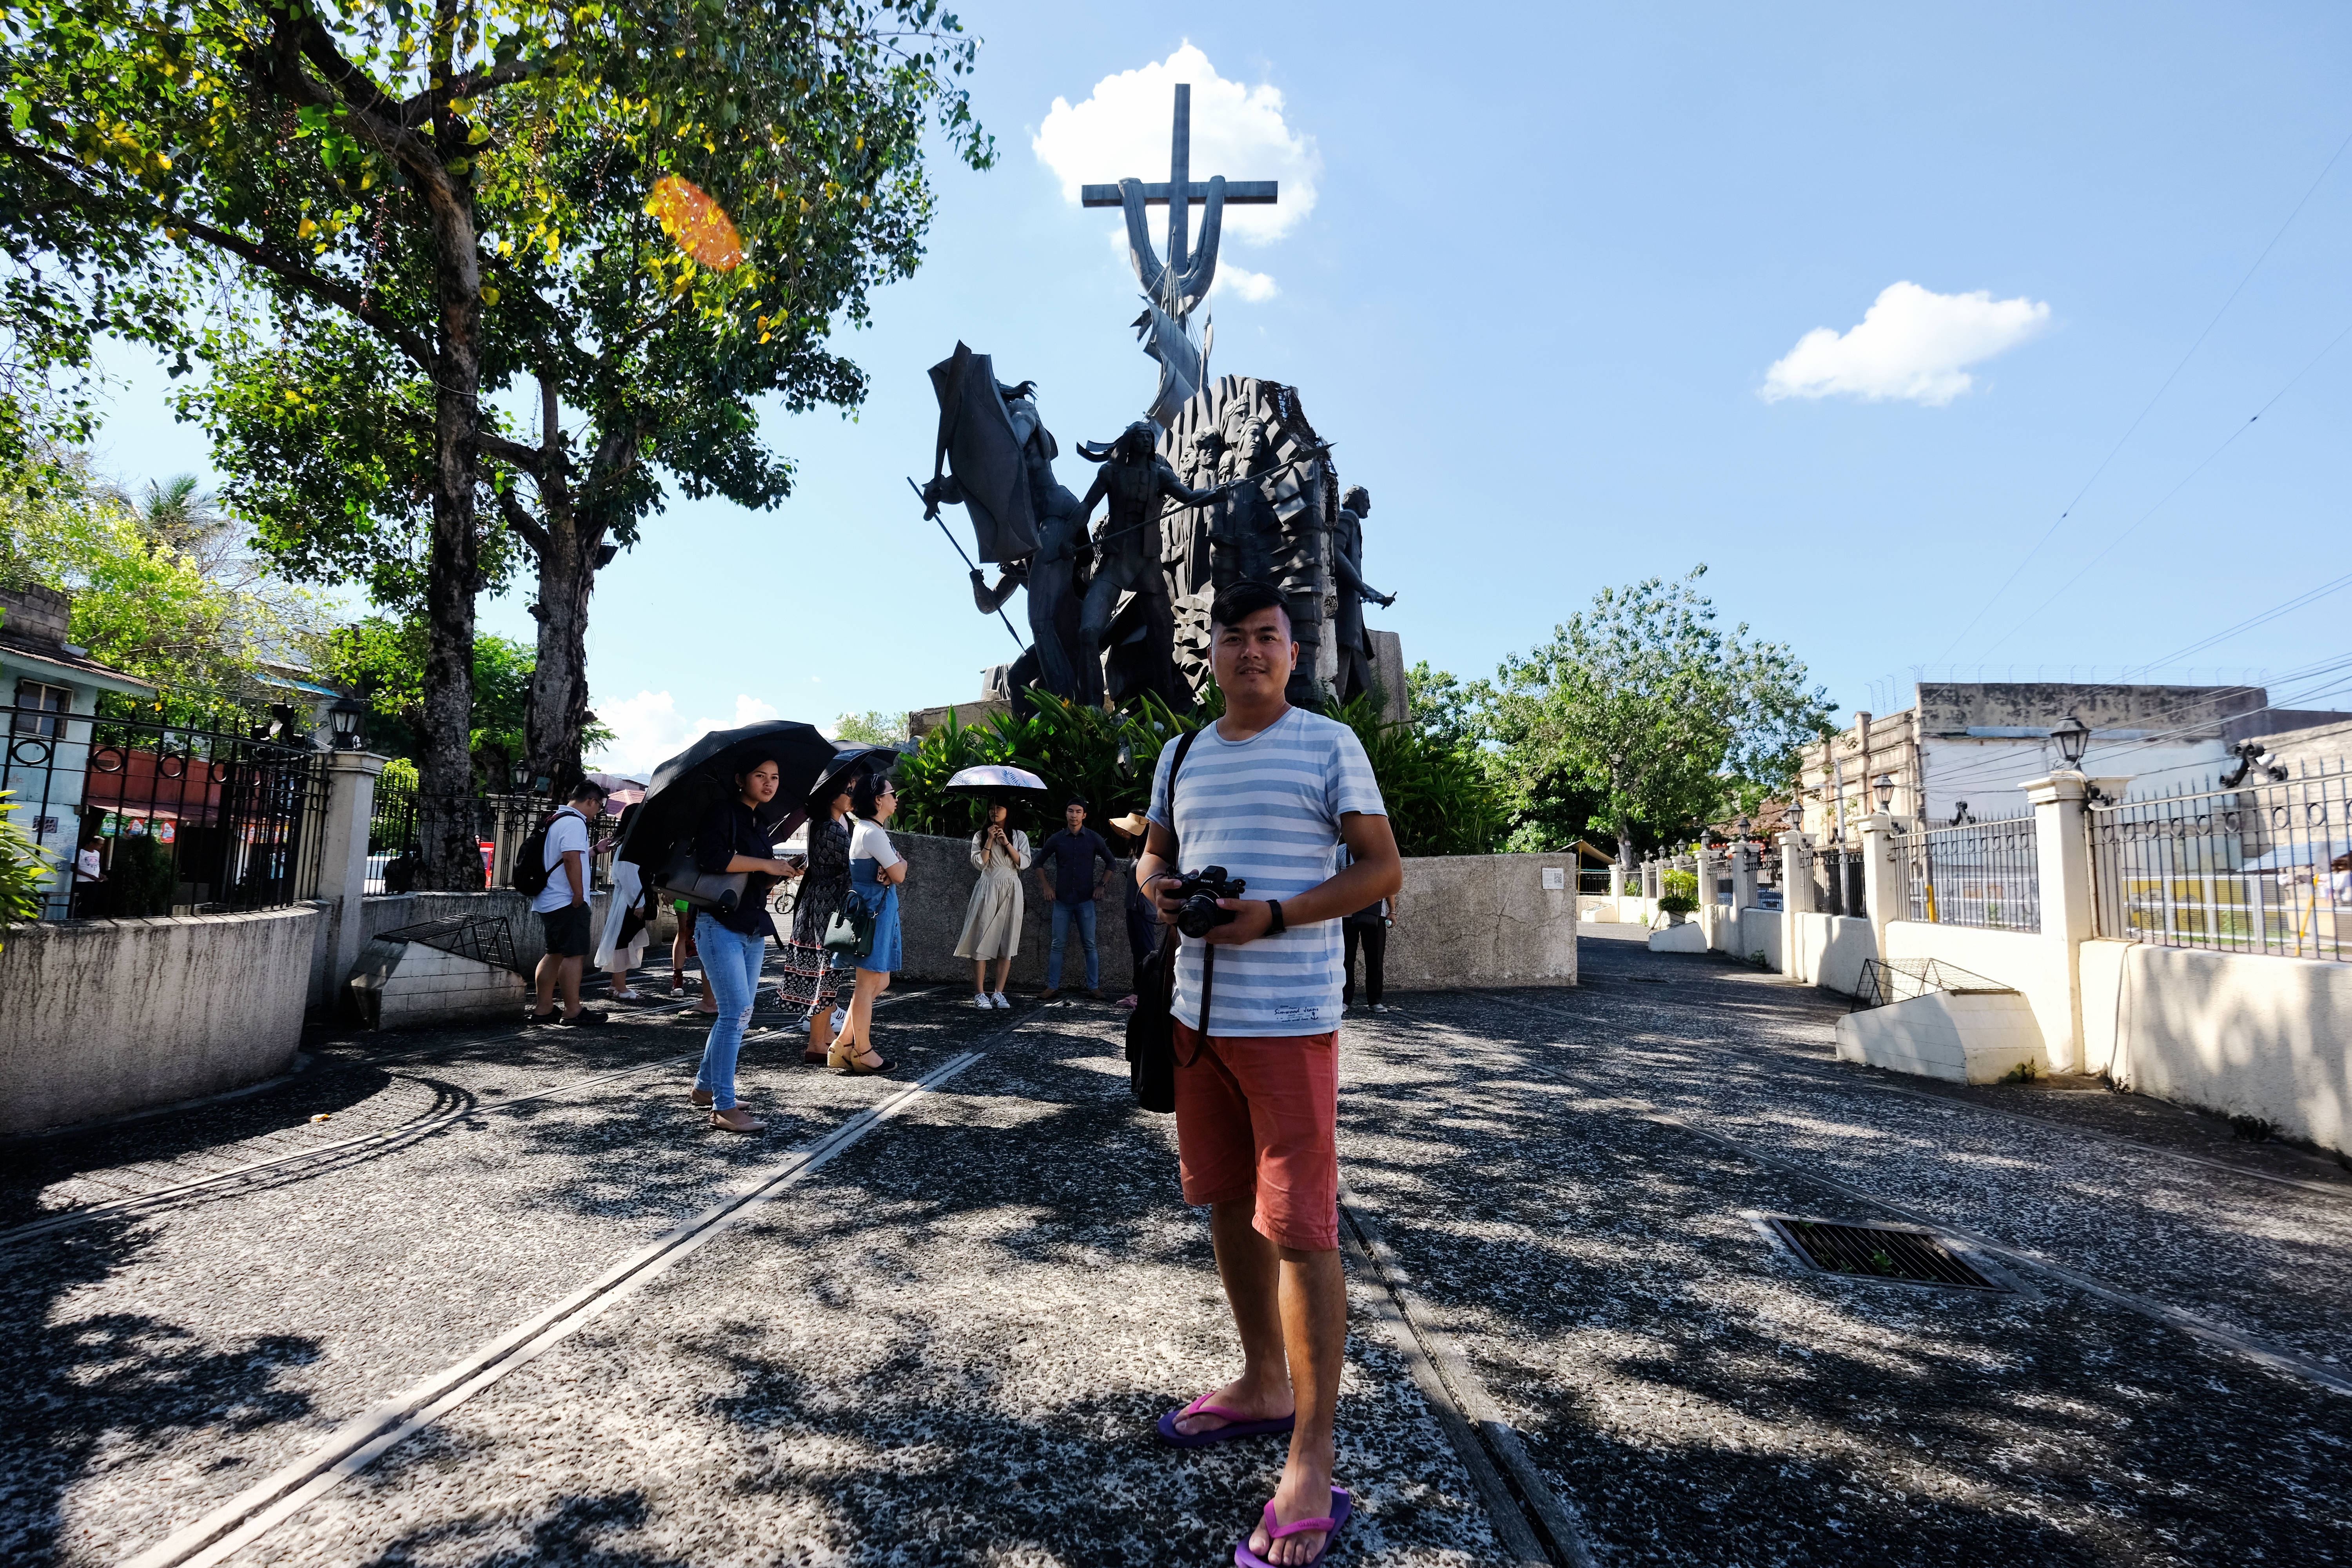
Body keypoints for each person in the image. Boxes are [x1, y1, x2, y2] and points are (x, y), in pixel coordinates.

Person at [1135, 579, 1401, 1568]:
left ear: (1294, 653)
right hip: (1196, 1018)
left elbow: (1381, 868)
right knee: (1226, 1202)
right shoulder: (1181, 753)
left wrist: (1278, 914)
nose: (1250, 650)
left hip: (1289, 1021)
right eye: (1233, 635)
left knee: (1301, 1228)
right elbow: (1153, 855)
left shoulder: (1329, 744)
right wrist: (1162, 889)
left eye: (1267, 636)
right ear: (1209, 651)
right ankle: (1262, 1381)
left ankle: (1312, 1455)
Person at [689, 756, 800, 1132]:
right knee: (735, 1013)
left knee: (740, 1014)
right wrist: (765, 864)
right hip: (719, 924)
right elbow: (711, 858)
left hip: (752, 925)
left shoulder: (759, 822)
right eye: (760, 776)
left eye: (775, 777)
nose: (769, 784)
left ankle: (705, 1088)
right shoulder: (723, 812)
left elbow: (755, 879)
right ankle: (723, 1107)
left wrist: (781, 871)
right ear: (740, 779)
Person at [826, 772, 905, 1075]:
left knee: (879, 981)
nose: (896, 798)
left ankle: (843, 1044)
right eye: (892, 793)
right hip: (873, 914)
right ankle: (863, 1051)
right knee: (867, 984)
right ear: (878, 800)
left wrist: (897, 864)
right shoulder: (872, 833)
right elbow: (899, 874)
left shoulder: (868, 830)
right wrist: (899, 864)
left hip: (874, 912)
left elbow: (896, 869)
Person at [779, 771, 859, 1063]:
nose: (852, 795)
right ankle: (817, 1042)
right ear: (831, 796)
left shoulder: (832, 824)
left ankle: (824, 1037)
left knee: (826, 972)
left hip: (822, 903)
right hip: (826, 907)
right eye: (847, 790)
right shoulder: (829, 829)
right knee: (825, 971)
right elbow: (857, 862)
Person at [528, 779, 610, 1026]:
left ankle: (543, 1009)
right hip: (566, 900)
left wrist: (595, 850)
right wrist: (578, 894)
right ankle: (573, 1010)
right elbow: (571, 858)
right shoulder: (575, 822)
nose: (598, 812)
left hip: (548, 898)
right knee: (574, 955)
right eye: (599, 806)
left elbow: (569, 855)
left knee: (554, 953)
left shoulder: (555, 819)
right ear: (591, 801)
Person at [1036, 795, 1119, 1000]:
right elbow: (1038, 863)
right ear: (1066, 814)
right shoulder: (1057, 839)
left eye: (1078, 812)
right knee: (1057, 945)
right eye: (1071, 811)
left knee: (1090, 945)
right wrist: (1046, 887)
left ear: (1084, 815)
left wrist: (1101, 885)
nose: (1074, 815)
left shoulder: (1093, 838)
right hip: (1062, 901)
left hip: (1086, 901)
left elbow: (1111, 863)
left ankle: (1094, 987)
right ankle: (1052, 987)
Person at [954, 802, 1029, 1007]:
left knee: (1008, 940)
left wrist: (1007, 843)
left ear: (1008, 811)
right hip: (988, 887)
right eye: (991, 808)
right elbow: (979, 864)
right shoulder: (980, 836)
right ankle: (980, 994)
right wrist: (989, 839)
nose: (994, 811)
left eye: (999, 808)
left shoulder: (1019, 836)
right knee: (980, 936)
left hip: (1011, 887)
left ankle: (999, 993)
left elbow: (1024, 863)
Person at [593, 802, 653, 1001]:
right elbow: (629, 876)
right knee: (624, 940)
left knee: (626, 938)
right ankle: (620, 987)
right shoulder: (631, 844)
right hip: (630, 900)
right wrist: (639, 903)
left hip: (630, 899)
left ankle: (615, 984)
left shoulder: (630, 842)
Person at [1340, 845, 1400, 1015]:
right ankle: (1344, 1000)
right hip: (1346, 914)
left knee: (1375, 959)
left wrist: (1392, 911)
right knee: (1346, 959)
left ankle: (1375, 1001)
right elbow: (1333, 882)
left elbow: (1388, 883)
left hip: (1376, 913)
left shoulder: (1379, 849)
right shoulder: (1341, 852)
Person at [1109, 810, 1159, 1009]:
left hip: (1145, 909)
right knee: (1138, 953)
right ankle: (1138, 992)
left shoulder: (1150, 853)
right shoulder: (1136, 851)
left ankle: (1148, 995)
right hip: (1132, 907)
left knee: (1147, 953)